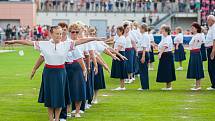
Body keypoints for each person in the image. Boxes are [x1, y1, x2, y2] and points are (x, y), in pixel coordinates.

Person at [6, 26, 104, 121]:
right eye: (57, 34)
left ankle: (57, 119)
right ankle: (50, 119)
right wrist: (14, 41)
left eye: (61, 34)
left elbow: (81, 41)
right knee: (50, 98)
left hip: (61, 73)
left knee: (60, 98)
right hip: (48, 73)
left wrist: (94, 38)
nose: (59, 36)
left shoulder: (67, 44)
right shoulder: (44, 44)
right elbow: (28, 42)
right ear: (51, 34)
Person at [156, 25, 176, 90]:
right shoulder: (164, 37)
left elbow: (165, 46)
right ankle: (167, 86)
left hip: (166, 55)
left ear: (167, 31)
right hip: (165, 55)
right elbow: (162, 45)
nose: (162, 32)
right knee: (166, 70)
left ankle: (169, 86)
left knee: (168, 70)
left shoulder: (168, 37)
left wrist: (160, 53)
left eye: (163, 30)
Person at [187, 22, 205, 91]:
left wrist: (190, 48)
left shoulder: (198, 35)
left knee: (197, 69)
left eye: (193, 28)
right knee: (195, 69)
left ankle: (198, 86)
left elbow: (196, 45)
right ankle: (197, 85)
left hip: (196, 53)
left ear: (197, 29)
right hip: (193, 53)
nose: (191, 29)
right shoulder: (195, 35)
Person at [111, 26, 128, 91]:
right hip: (118, 53)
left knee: (121, 70)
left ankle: (122, 86)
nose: (117, 32)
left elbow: (119, 47)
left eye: (118, 31)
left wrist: (115, 55)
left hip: (120, 53)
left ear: (121, 31)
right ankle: (121, 86)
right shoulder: (120, 37)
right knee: (120, 70)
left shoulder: (122, 38)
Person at [137, 23, 150, 90]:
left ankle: (144, 87)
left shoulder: (145, 36)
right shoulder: (144, 35)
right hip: (142, 53)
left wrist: (143, 56)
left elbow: (144, 47)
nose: (139, 29)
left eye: (140, 28)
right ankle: (145, 86)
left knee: (143, 71)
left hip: (143, 53)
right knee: (143, 70)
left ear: (143, 29)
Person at [205, 15, 215, 90]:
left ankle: (214, 85)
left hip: (212, 48)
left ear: (212, 20)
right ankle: (213, 84)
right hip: (209, 48)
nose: (207, 21)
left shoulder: (214, 27)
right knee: (210, 68)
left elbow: (214, 40)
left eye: (208, 20)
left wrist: (213, 51)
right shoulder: (211, 28)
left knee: (212, 68)